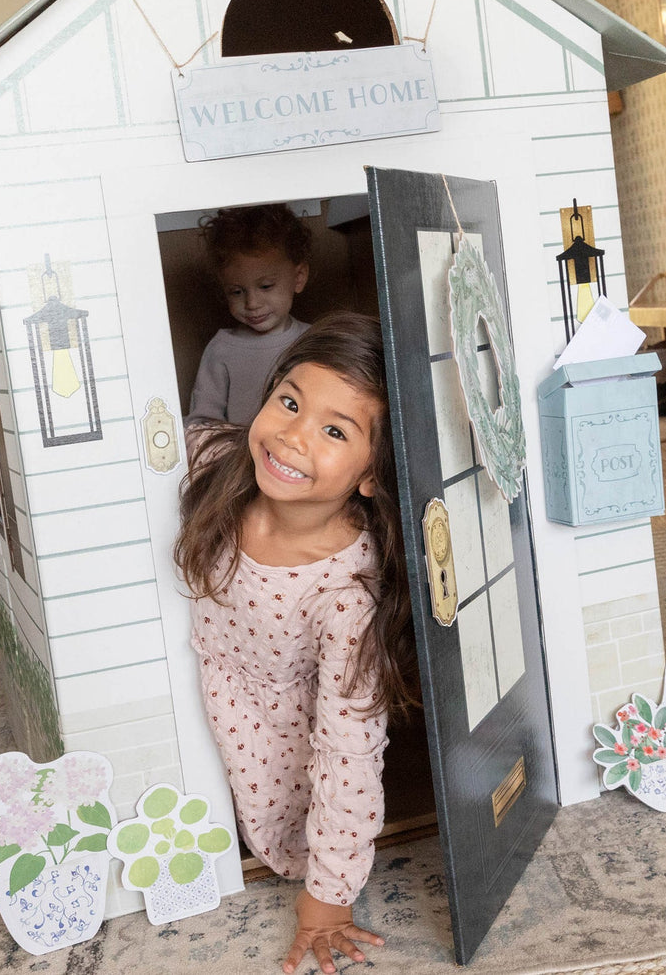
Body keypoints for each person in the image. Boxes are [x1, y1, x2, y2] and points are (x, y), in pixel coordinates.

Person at [174, 312, 415, 974]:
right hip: (207, 688)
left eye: (335, 431)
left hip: (282, 736)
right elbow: (177, 435)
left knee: (277, 838)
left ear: (371, 475)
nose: (292, 435)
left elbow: (348, 746)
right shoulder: (224, 466)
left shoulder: (347, 593)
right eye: (288, 402)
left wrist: (329, 898)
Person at [187, 202, 312, 427]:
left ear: (299, 277)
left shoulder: (316, 340)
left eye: (265, 286)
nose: (252, 304)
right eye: (237, 292)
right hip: (237, 450)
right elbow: (202, 424)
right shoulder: (221, 349)